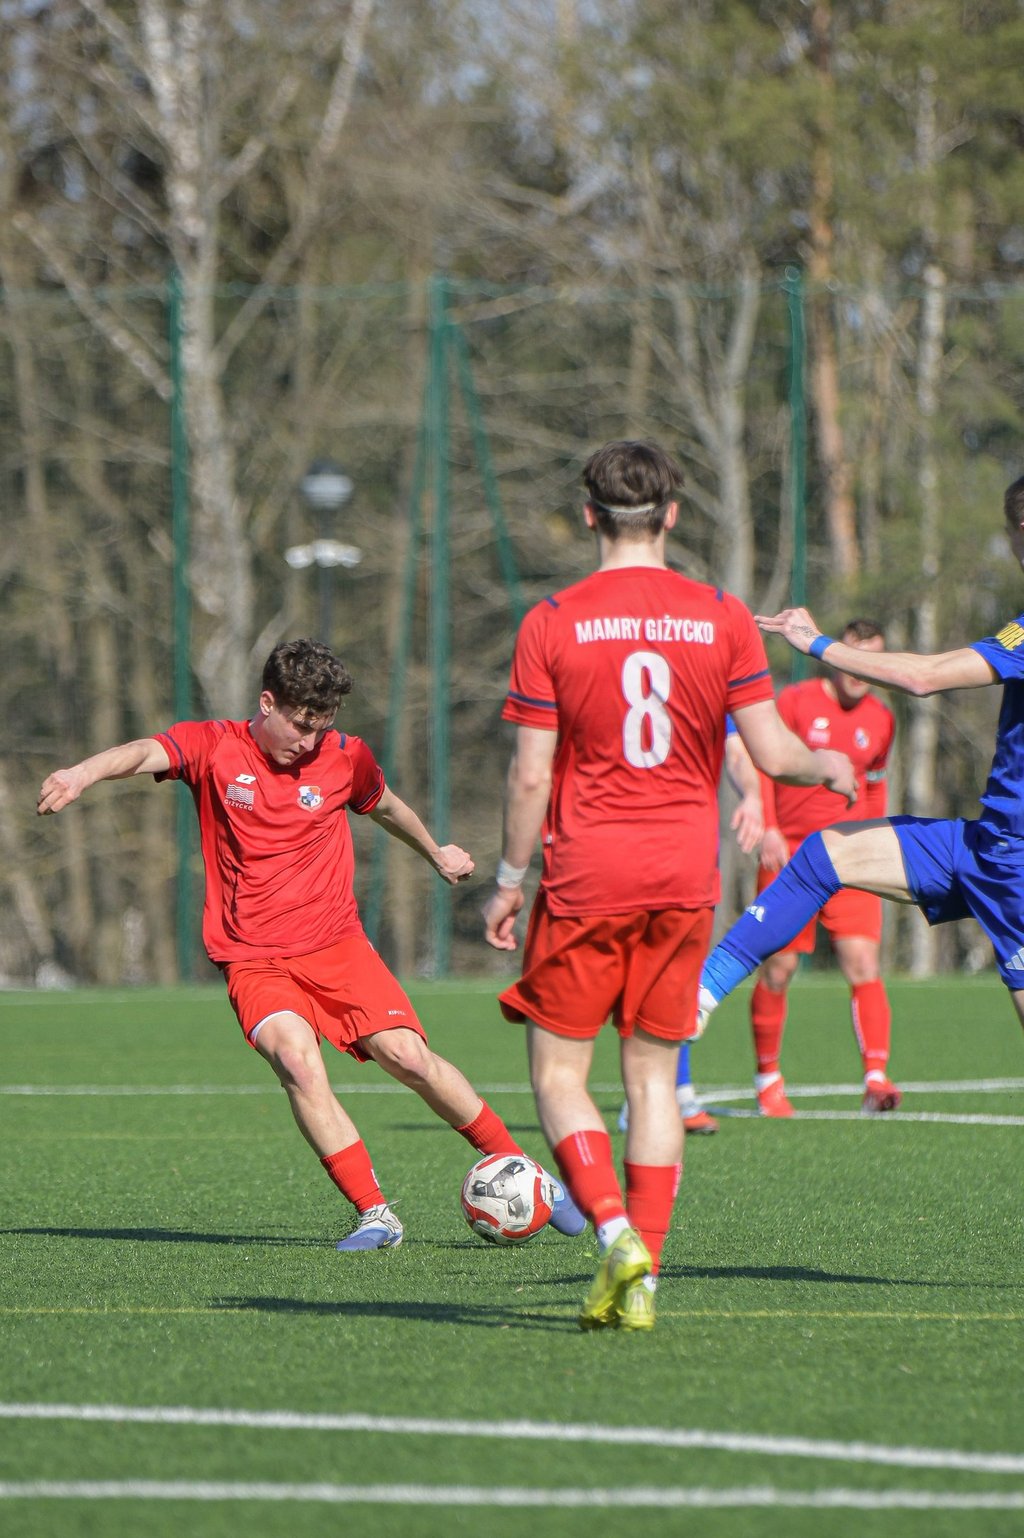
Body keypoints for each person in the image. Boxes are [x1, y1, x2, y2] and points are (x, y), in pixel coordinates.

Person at [37, 638, 584, 1251]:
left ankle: (528, 1174)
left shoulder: (345, 757)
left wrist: (435, 852)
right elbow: (144, 750)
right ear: (267, 703)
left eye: (320, 727)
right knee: (297, 1063)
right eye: (299, 725)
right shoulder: (214, 746)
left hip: (335, 944)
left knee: (407, 1056)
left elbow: (384, 806)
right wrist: (81, 773)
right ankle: (375, 1215)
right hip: (252, 957)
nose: (308, 740)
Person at [482, 440, 856, 1331]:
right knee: (653, 1078)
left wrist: (507, 879)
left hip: (586, 874)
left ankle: (615, 1234)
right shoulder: (721, 615)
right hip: (686, 877)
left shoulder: (552, 621)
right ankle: (644, 1277)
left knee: (559, 1074)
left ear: (589, 514)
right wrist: (829, 765)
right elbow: (774, 754)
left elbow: (530, 776)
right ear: (672, 516)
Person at [696, 473, 1024, 1049]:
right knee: (826, 853)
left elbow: (923, 677)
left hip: (1012, 863)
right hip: (985, 846)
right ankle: (700, 994)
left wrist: (817, 644)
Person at [736, 620, 899, 1117]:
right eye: (853, 656)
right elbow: (765, 763)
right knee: (779, 968)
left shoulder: (882, 718)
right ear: (834, 655)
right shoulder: (795, 701)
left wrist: (877, 845)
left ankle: (875, 1079)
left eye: (872, 659)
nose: (859, 671)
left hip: (851, 855)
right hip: (790, 855)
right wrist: (768, 826)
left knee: (863, 963)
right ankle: (768, 1080)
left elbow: (874, 787)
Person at [619, 722, 766, 1137]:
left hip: (691, 848)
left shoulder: (708, 687)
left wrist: (753, 795)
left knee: (683, 968)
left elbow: (736, 750)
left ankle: (675, 1091)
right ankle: (646, 1093)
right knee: (644, 967)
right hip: (626, 843)